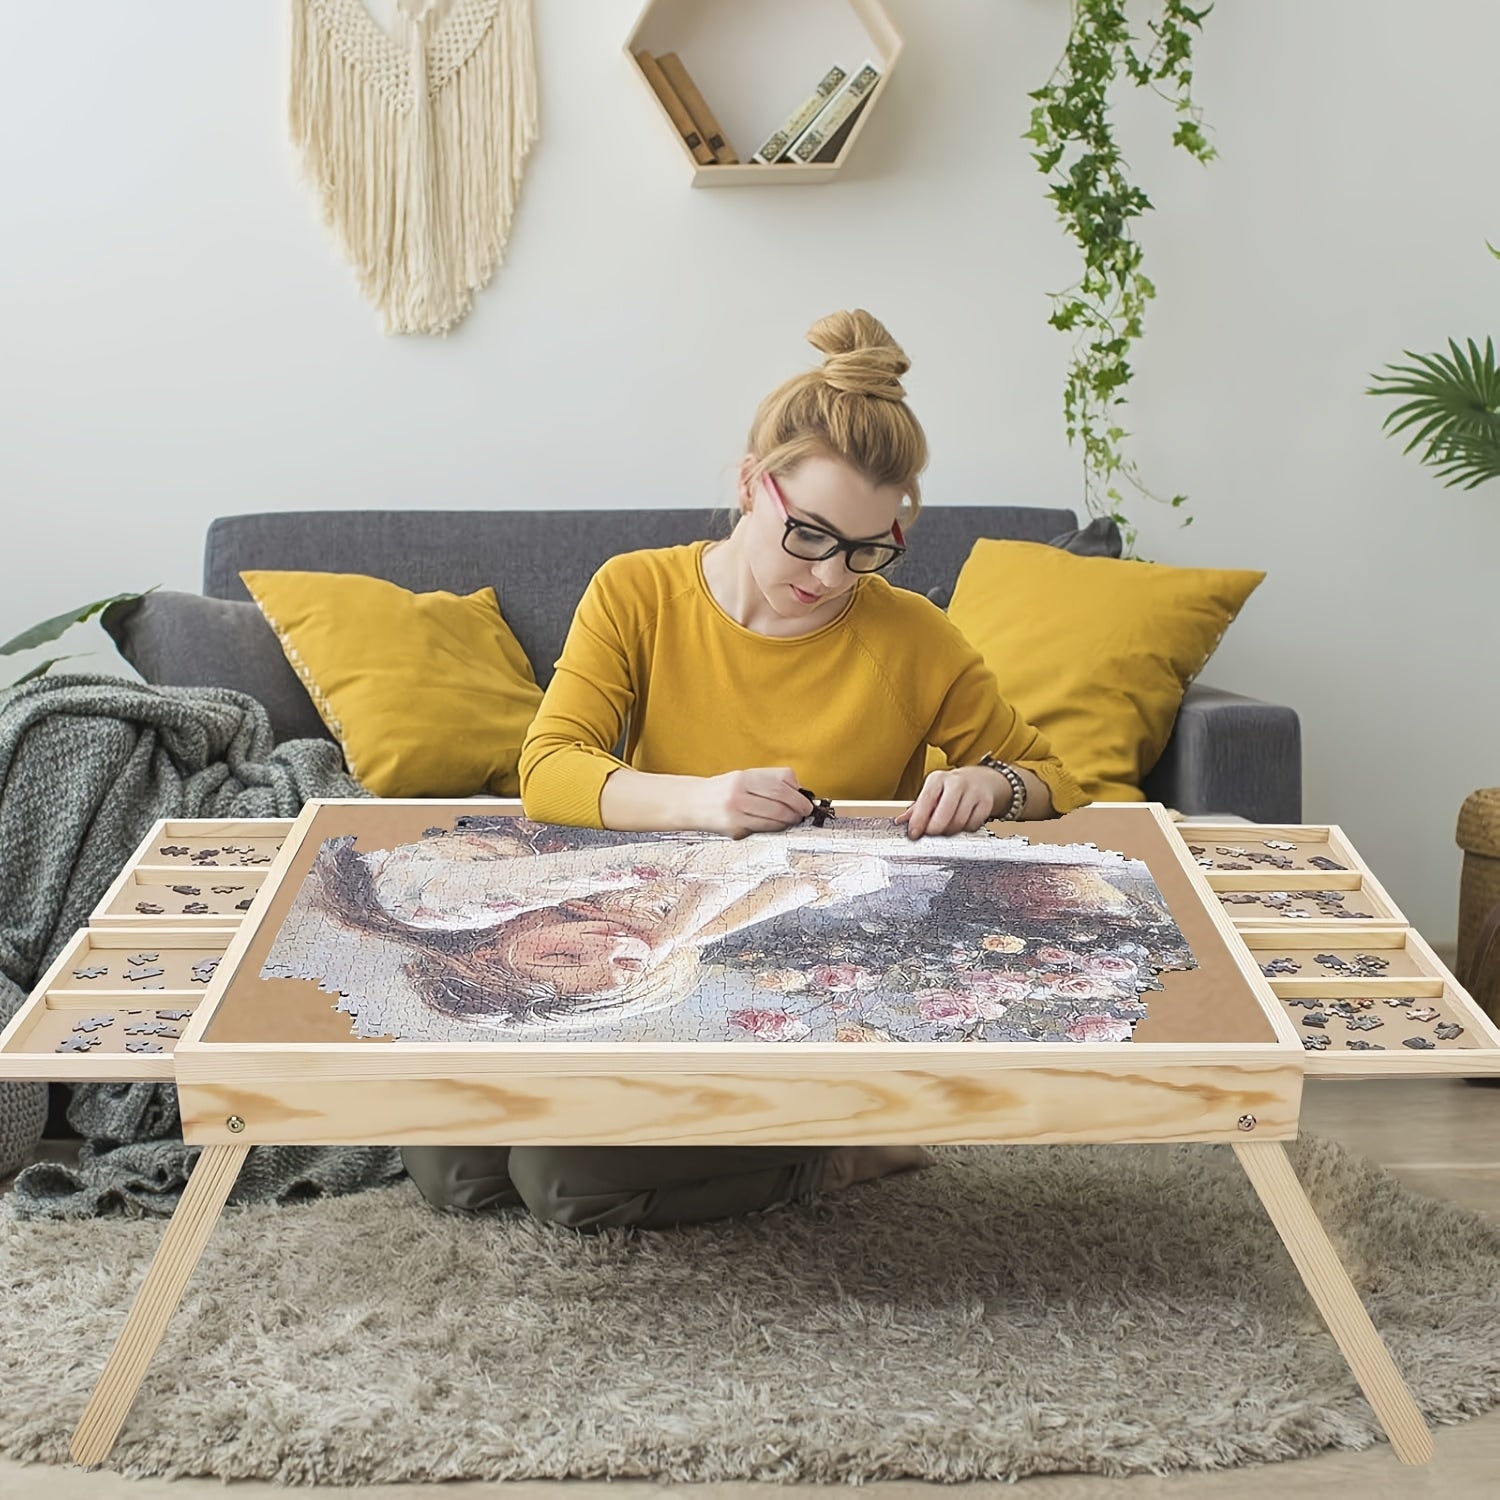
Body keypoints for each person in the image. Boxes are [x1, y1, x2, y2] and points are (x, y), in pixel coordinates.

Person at [401, 308, 1089, 1232]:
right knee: (448, 1165)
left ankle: (846, 1147)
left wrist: (996, 785)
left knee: (568, 1180)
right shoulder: (637, 591)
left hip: (780, 970)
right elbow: (549, 770)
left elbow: (1055, 777)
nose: (833, 576)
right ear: (750, 484)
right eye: (809, 534)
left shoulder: (910, 638)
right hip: (635, 936)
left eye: (868, 548)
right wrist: (702, 800)